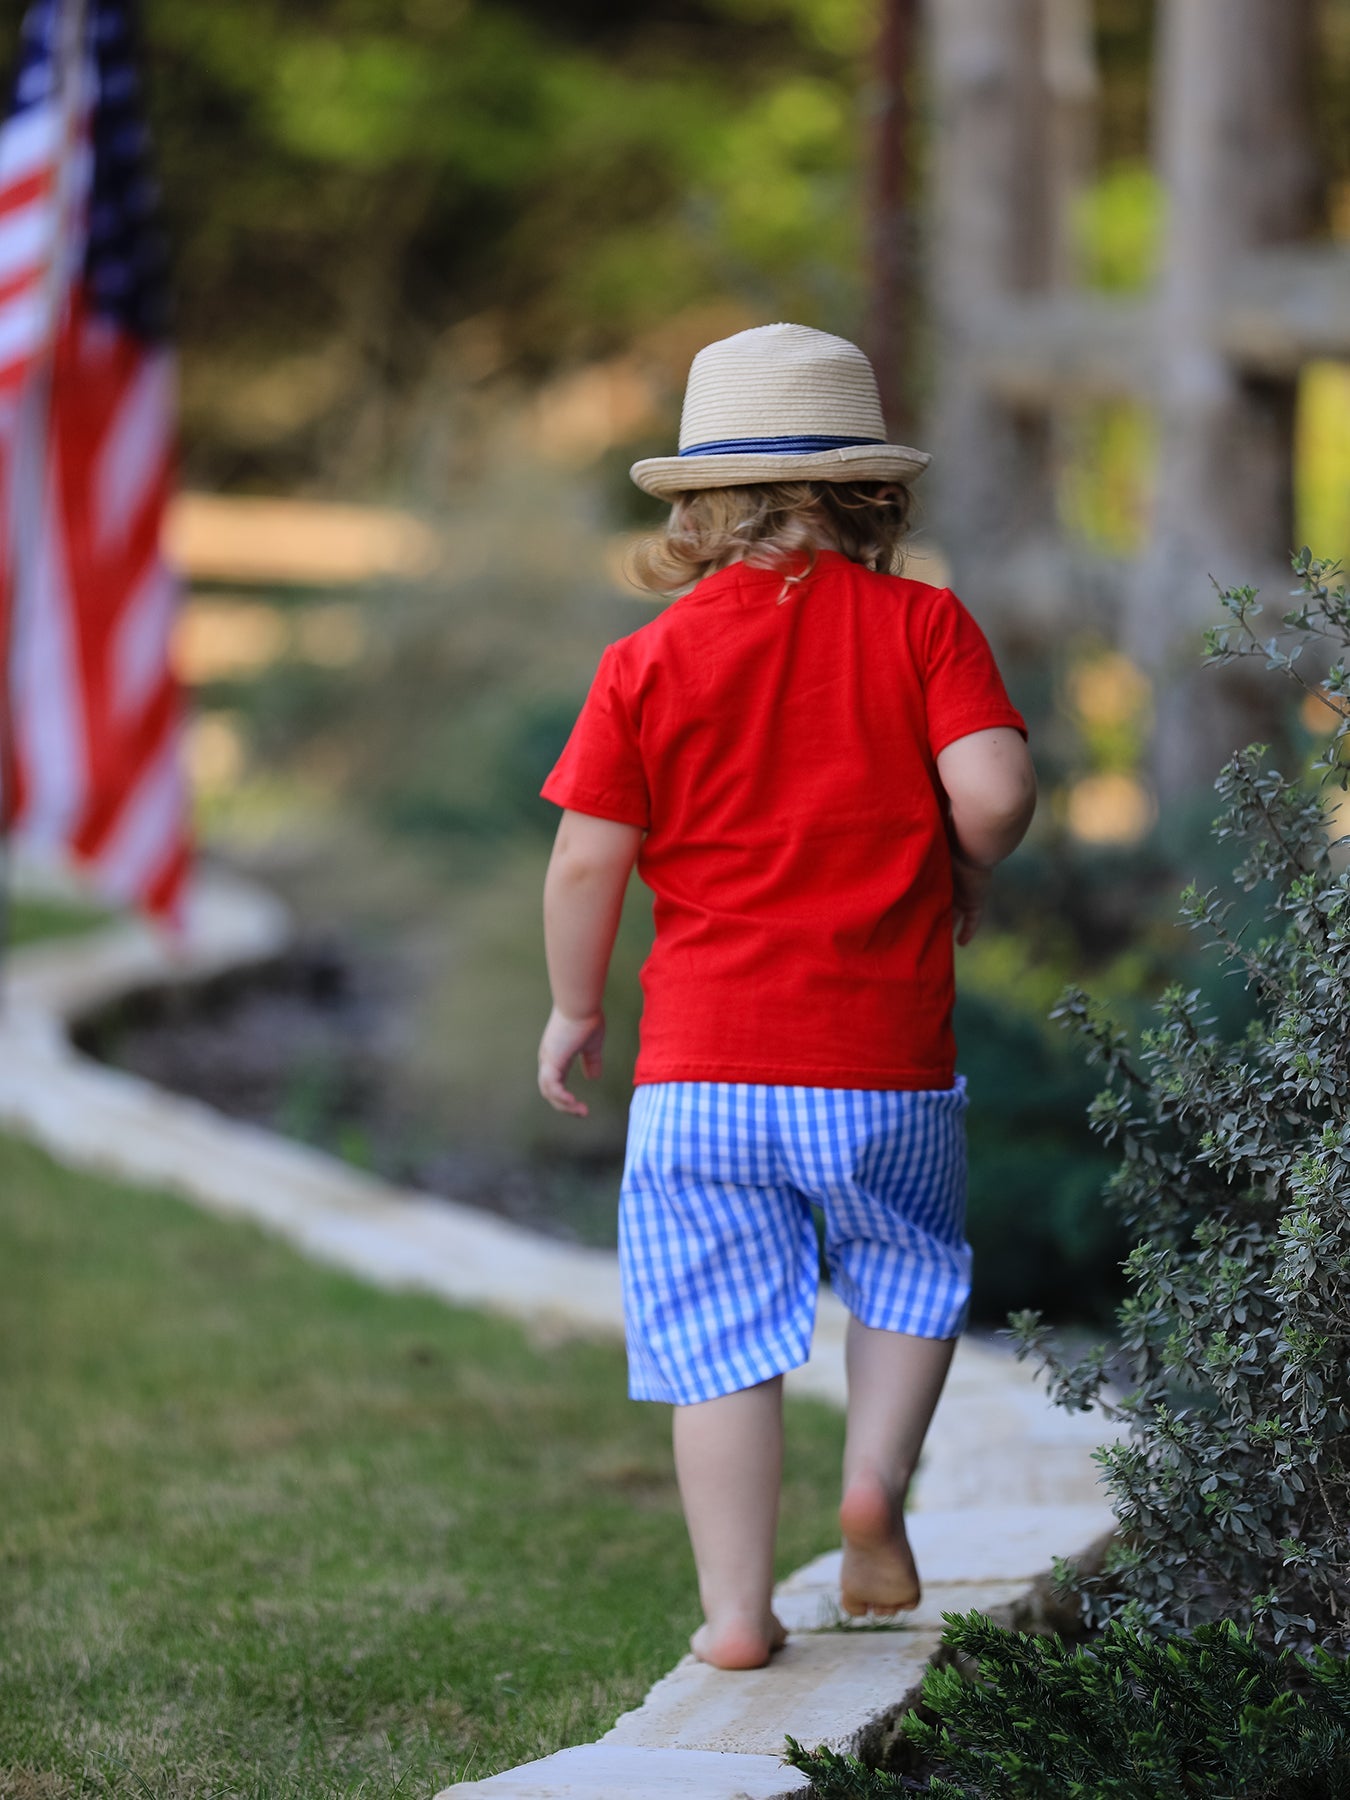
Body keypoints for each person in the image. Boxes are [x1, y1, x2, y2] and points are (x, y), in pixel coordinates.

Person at [536, 323, 1035, 1671]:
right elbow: (989, 796)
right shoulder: (923, 624)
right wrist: (957, 847)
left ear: (693, 508)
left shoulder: (646, 661)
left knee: (713, 1347)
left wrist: (573, 1007)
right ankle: (873, 1478)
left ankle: (739, 1616)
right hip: (880, 1060)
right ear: (875, 496)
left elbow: (588, 855)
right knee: (908, 1268)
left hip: (701, 1071)